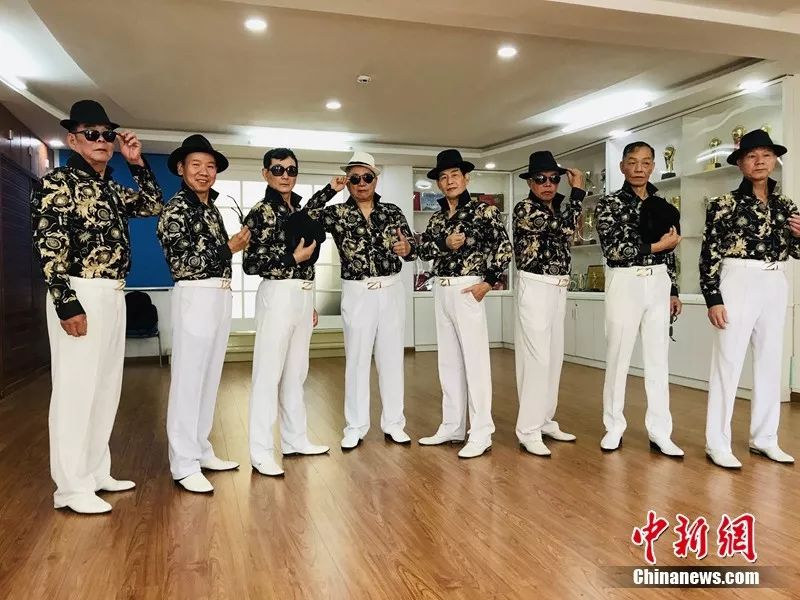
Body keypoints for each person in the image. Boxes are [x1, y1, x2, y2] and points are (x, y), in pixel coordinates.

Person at [31, 99, 163, 513]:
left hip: (114, 292)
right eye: (92, 134)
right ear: (73, 140)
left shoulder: (112, 188)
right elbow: (49, 245)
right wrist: (66, 304)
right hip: (79, 291)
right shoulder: (57, 183)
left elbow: (153, 204)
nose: (102, 140)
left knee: (106, 387)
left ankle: (94, 472)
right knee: (75, 390)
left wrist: (137, 163)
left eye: (107, 134)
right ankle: (70, 488)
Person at [157, 134, 251, 493]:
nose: (204, 172)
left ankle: (200, 449)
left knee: (210, 378)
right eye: (195, 164)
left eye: (210, 166)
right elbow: (182, 263)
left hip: (220, 295)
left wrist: (231, 248)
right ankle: (183, 463)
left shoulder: (211, 207)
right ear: (181, 169)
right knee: (188, 380)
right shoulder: (175, 209)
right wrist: (229, 247)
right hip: (195, 295)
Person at [701, 129, 799, 468]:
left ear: (774, 161)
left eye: (766, 155)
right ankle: (717, 443)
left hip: (776, 280)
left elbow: (796, 252)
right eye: (752, 156)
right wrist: (713, 298)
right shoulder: (723, 204)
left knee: (771, 361)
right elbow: (708, 254)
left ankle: (765, 438)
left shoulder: (786, 205)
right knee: (727, 362)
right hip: (738, 278)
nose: (760, 162)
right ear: (741, 163)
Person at [305, 152, 415, 450]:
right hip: (357, 291)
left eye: (367, 177)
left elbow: (412, 249)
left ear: (375, 179)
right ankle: (355, 426)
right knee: (356, 359)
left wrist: (407, 249)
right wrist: (329, 190)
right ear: (348, 182)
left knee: (392, 358)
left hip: (391, 289)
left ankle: (394, 424)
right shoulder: (337, 213)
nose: (361, 183)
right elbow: (307, 216)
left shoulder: (392, 211)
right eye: (354, 178)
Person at [244, 148, 336, 476]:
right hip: (278, 294)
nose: (285, 175)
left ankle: (295, 440)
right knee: (268, 374)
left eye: (291, 170)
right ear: (265, 173)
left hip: (302, 295)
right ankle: (260, 452)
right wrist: (292, 259)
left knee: (297, 372)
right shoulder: (260, 211)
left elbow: (314, 215)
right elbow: (250, 263)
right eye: (278, 169)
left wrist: (309, 302)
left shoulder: (297, 208)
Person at [417, 149, 513, 459]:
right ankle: (452, 426)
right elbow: (424, 250)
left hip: (468, 288)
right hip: (442, 288)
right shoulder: (436, 217)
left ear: (466, 178)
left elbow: (504, 248)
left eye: (454, 175)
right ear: (438, 183)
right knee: (448, 362)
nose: (449, 181)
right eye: (443, 177)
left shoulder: (484, 211)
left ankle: (482, 431)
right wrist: (444, 243)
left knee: (475, 362)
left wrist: (488, 282)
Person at [595, 141, 683, 456]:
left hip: (658, 281)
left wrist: (673, 289)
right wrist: (656, 247)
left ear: (653, 166)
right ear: (622, 166)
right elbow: (614, 250)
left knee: (658, 359)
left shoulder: (662, 204)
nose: (639, 168)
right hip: (625, 280)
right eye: (632, 162)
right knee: (618, 356)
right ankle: (613, 427)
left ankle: (660, 432)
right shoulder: (608, 204)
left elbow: (671, 250)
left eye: (645, 162)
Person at [513, 150, 585, 457]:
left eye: (554, 179)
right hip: (535, 285)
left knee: (554, 358)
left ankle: (544, 420)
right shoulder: (525, 209)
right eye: (540, 179)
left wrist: (572, 198)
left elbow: (570, 230)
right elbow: (565, 228)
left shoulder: (558, 208)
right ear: (530, 182)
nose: (547, 184)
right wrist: (578, 192)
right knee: (537, 359)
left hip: (559, 286)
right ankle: (528, 430)